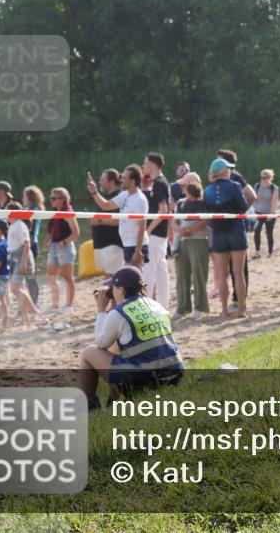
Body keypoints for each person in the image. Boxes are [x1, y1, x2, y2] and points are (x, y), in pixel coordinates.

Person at [79, 266, 183, 410]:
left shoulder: (119, 313)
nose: (111, 292)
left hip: (146, 382)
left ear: (121, 290)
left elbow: (100, 343)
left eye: (113, 288)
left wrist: (101, 310)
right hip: (174, 376)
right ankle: (112, 403)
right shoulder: (157, 306)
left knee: (88, 353)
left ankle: (91, 406)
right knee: (115, 350)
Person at [204, 157, 251, 317]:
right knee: (238, 272)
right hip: (235, 230)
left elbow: (207, 211)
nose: (231, 171)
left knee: (222, 274)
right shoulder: (234, 186)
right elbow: (243, 206)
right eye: (229, 169)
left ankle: (224, 310)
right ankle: (241, 309)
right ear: (224, 171)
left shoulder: (208, 190)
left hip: (218, 232)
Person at [88, 165, 147, 266]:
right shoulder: (125, 195)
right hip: (127, 243)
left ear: (132, 182)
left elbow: (142, 227)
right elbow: (106, 205)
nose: (121, 180)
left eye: (124, 178)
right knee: (129, 274)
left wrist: (138, 251)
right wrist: (94, 192)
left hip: (136, 245)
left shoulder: (140, 199)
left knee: (139, 274)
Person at [5, 202, 48, 327]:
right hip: (14, 258)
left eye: (7, 211)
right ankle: (26, 318)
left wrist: (23, 263)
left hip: (22, 258)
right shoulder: (12, 225)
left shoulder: (19, 224)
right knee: (20, 288)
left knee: (15, 288)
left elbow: (27, 244)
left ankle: (36, 312)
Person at [173, 181, 211, 321]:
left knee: (199, 275)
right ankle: (182, 307)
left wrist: (190, 230)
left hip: (199, 239)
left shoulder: (203, 204)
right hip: (183, 241)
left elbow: (206, 221)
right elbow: (173, 220)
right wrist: (180, 230)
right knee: (181, 275)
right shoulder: (180, 203)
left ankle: (199, 307)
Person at [140, 153, 172, 307]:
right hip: (160, 233)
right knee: (160, 270)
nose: (143, 165)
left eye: (145, 162)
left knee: (150, 270)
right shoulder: (160, 182)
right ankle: (163, 306)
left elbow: (163, 211)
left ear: (152, 164)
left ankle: (149, 306)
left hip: (156, 234)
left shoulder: (159, 183)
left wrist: (148, 230)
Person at [44, 187, 79, 314]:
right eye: (51, 198)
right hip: (54, 246)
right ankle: (55, 305)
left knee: (67, 277)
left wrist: (64, 242)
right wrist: (48, 241)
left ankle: (69, 305)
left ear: (62, 199)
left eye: (54, 198)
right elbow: (51, 230)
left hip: (65, 246)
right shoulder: (54, 212)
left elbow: (76, 232)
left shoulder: (67, 212)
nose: (51, 200)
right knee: (51, 276)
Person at [91, 170, 125, 276]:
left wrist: (100, 220)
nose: (100, 182)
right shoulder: (104, 198)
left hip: (112, 244)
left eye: (102, 180)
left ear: (111, 182)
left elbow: (120, 220)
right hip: (102, 244)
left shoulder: (118, 197)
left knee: (113, 276)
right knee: (108, 275)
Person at [20, 185, 45, 304]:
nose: (23, 199)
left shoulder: (33, 210)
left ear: (30, 197)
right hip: (31, 244)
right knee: (29, 277)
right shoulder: (31, 209)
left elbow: (30, 230)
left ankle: (34, 303)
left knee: (30, 277)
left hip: (31, 245)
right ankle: (31, 302)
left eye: (24, 196)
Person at [252, 169, 280, 258]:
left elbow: (274, 203)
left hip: (269, 213)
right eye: (261, 177)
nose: (262, 179)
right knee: (257, 231)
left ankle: (270, 252)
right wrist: (254, 210)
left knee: (269, 233)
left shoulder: (274, 188)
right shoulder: (257, 186)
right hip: (258, 212)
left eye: (264, 177)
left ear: (269, 178)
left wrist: (272, 214)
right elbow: (254, 199)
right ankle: (257, 251)